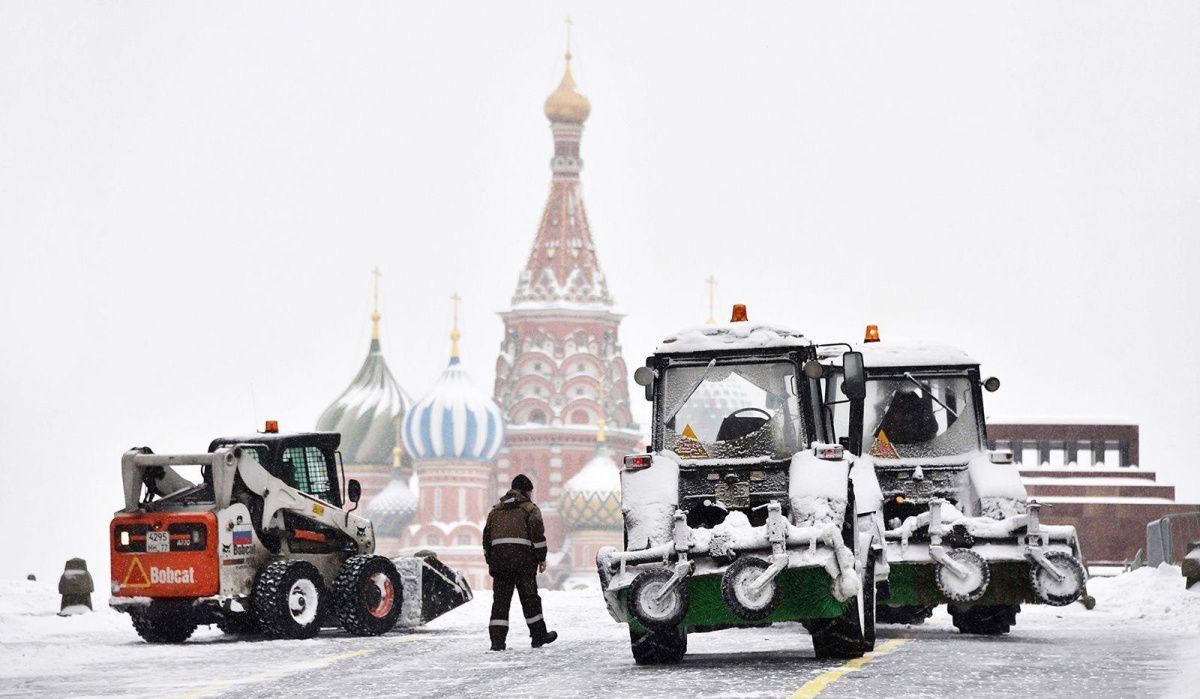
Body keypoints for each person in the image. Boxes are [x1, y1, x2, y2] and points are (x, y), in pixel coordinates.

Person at [483, 474, 557, 651]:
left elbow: (486, 540)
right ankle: (539, 636)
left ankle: (497, 642)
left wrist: (491, 561)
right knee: (530, 599)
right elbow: (538, 537)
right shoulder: (530, 510)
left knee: (500, 602)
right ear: (527, 491)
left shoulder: (495, 511)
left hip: (500, 565)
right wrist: (541, 558)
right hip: (523, 563)